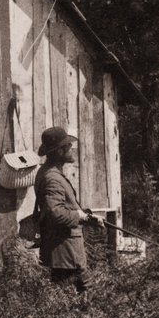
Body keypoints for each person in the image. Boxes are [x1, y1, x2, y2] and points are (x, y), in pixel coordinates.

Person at [34, 125, 102, 293]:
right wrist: (81, 217)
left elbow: (63, 206)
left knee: (70, 299)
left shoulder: (49, 173)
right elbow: (55, 213)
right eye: (68, 146)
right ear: (59, 152)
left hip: (64, 253)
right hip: (65, 254)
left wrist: (86, 214)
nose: (72, 149)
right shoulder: (52, 178)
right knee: (80, 296)